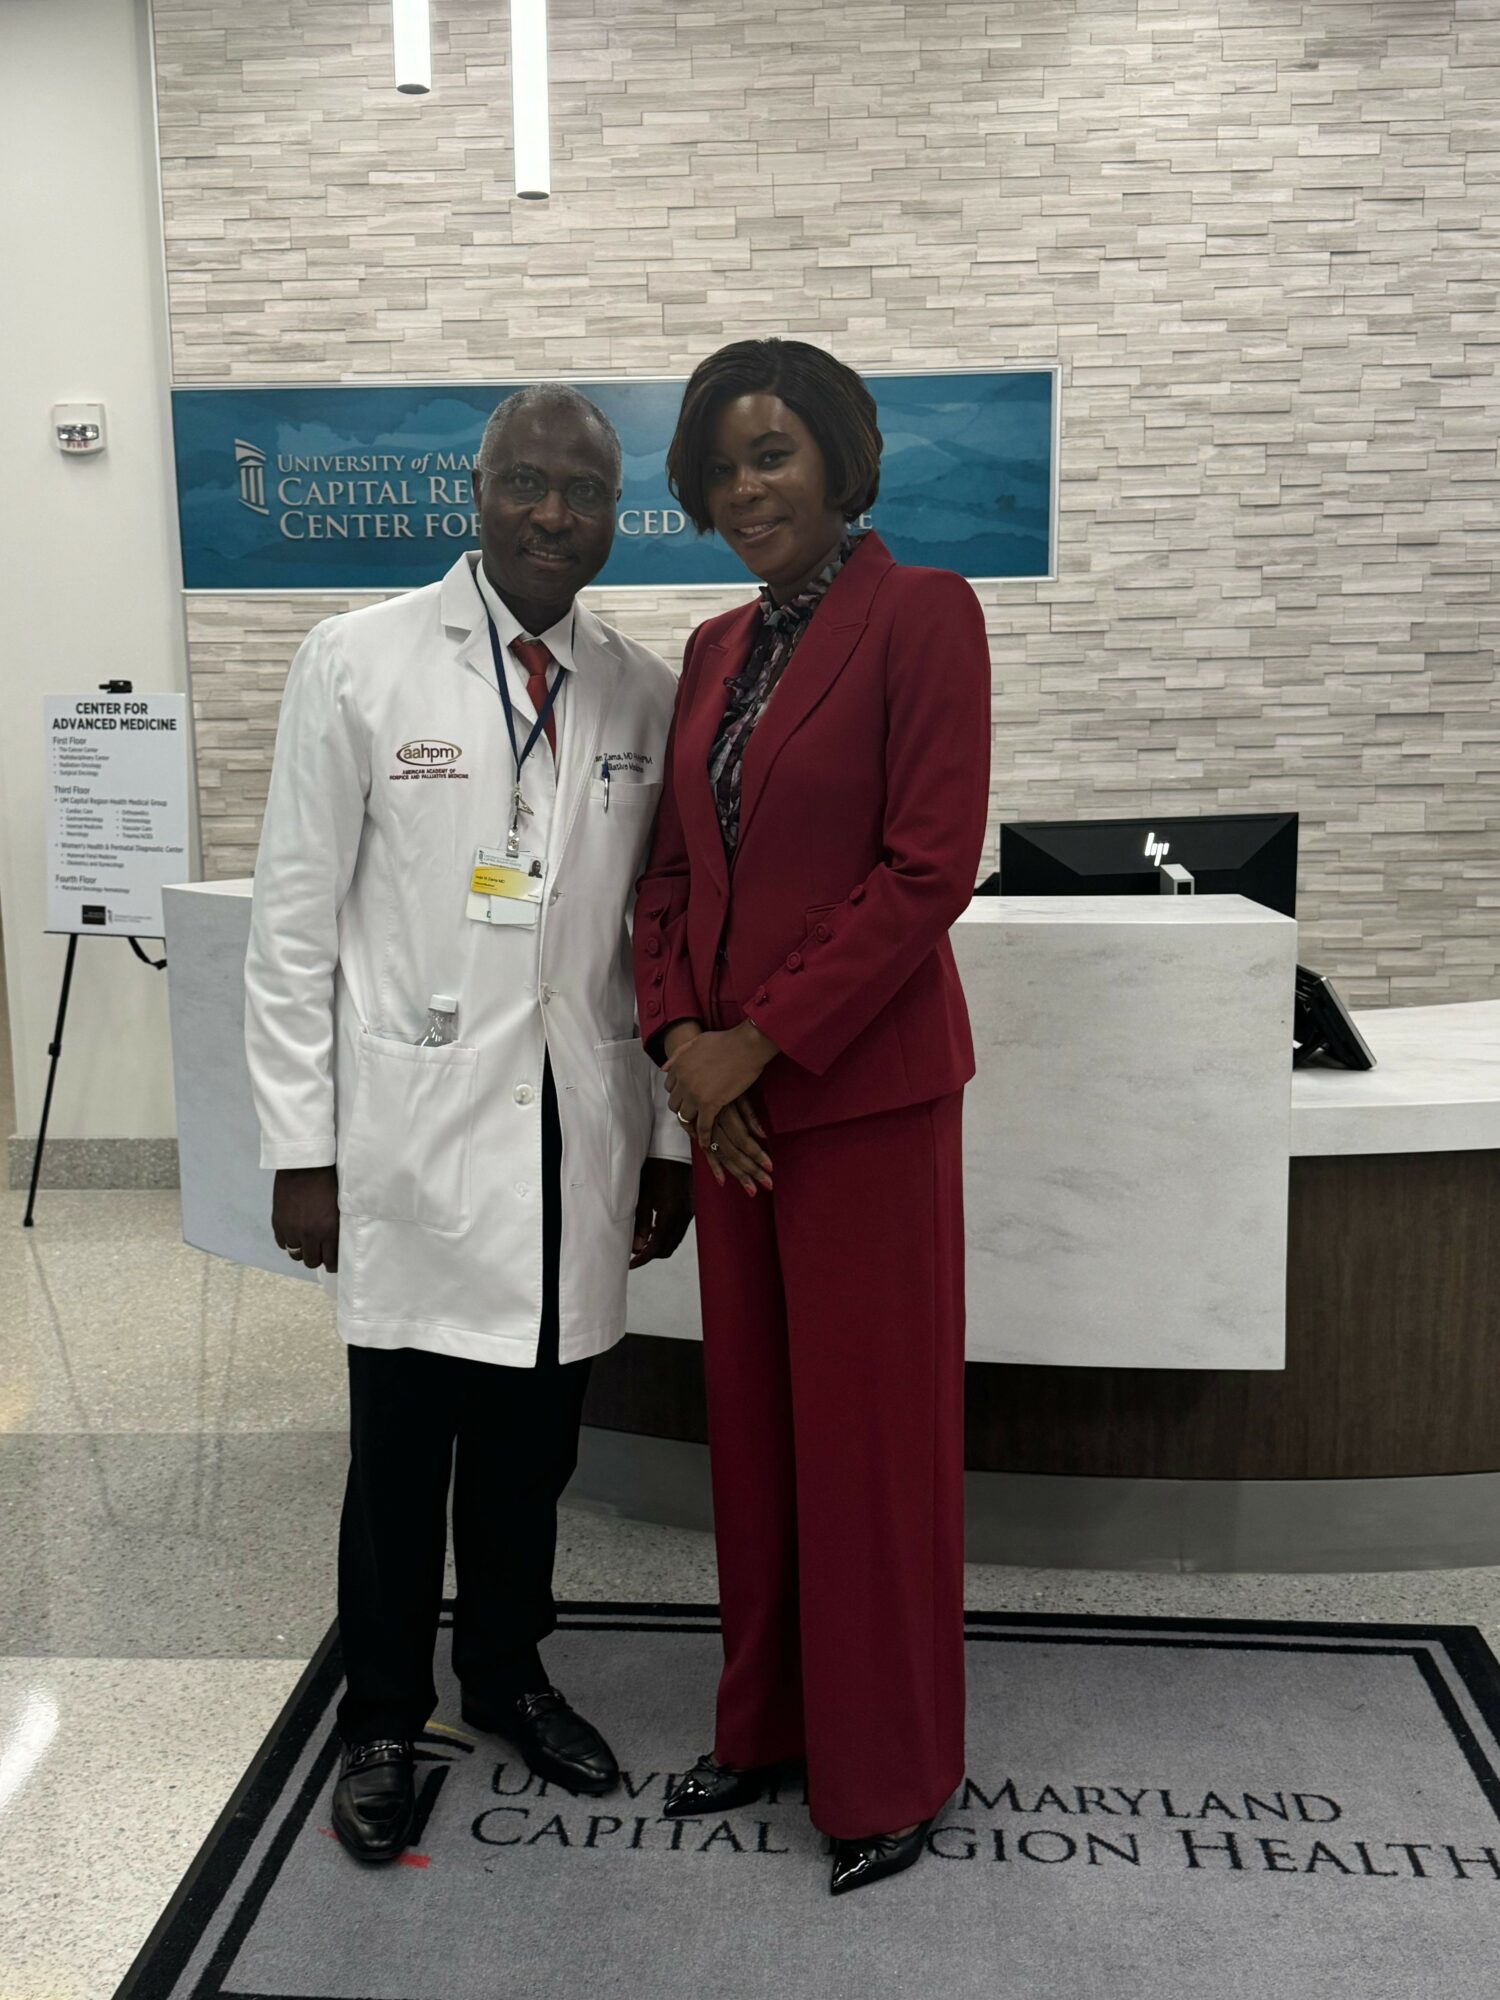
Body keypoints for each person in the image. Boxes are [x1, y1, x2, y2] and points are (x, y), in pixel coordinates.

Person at [245, 384, 693, 1865]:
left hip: (575, 1135)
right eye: (530, 485)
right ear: (479, 490)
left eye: (587, 491)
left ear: (618, 512)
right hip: (411, 1141)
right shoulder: (359, 662)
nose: (558, 515)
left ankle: (506, 1674)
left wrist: (668, 1141)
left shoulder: (637, 688)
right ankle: (382, 1712)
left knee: (530, 1455)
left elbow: (659, 936)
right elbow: (291, 926)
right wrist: (298, 1149)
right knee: (398, 1468)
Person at [632, 339, 990, 1897]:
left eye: (770, 454)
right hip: (732, 1108)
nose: (743, 488)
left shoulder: (925, 617)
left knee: (870, 1448)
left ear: (842, 460)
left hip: (857, 1099)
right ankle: (769, 1722)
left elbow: (929, 866)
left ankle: (889, 1765)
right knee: (759, 1440)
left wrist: (760, 1045)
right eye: (718, 466)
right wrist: (681, 1040)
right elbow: (665, 876)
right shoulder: (712, 649)